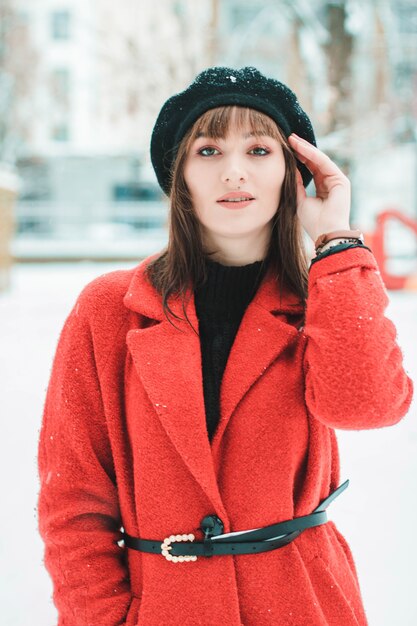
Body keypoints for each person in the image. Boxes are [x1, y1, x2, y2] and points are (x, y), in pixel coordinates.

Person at [37, 66, 413, 626]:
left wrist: (337, 242)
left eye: (259, 150)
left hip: (303, 604)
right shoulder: (110, 310)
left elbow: (366, 406)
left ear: (293, 173)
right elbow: (73, 501)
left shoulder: (325, 300)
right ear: (179, 175)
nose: (234, 173)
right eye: (209, 151)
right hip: (162, 608)